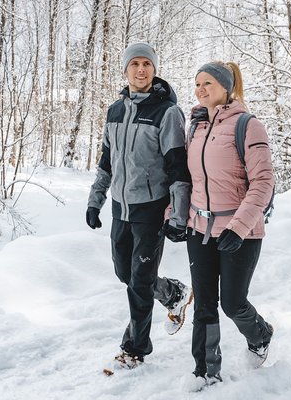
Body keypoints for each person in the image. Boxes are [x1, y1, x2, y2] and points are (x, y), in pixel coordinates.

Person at [86, 42, 193, 369]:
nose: (141, 69)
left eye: (147, 63)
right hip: (121, 208)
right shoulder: (115, 111)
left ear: (154, 69)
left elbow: (178, 168)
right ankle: (173, 293)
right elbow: (107, 161)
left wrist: (178, 214)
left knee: (139, 282)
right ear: (126, 69)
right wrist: (95, 200)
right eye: (135, 64)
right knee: (126, 274)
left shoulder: (167, 113)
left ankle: (134, 349)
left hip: (151, 210)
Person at [176, 61, 275, 387]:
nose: (200, 90)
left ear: (225, 87)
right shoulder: (196, 128)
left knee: (232, 302)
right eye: (197, 84)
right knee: (204, 303)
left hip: (240, 232)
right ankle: (206, 372)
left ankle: (260, 334)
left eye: (207, 83)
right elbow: (186, 180)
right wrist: (173, 217)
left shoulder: (247, 125)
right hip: (199, 230)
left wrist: (238, 226)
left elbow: (263, 183)